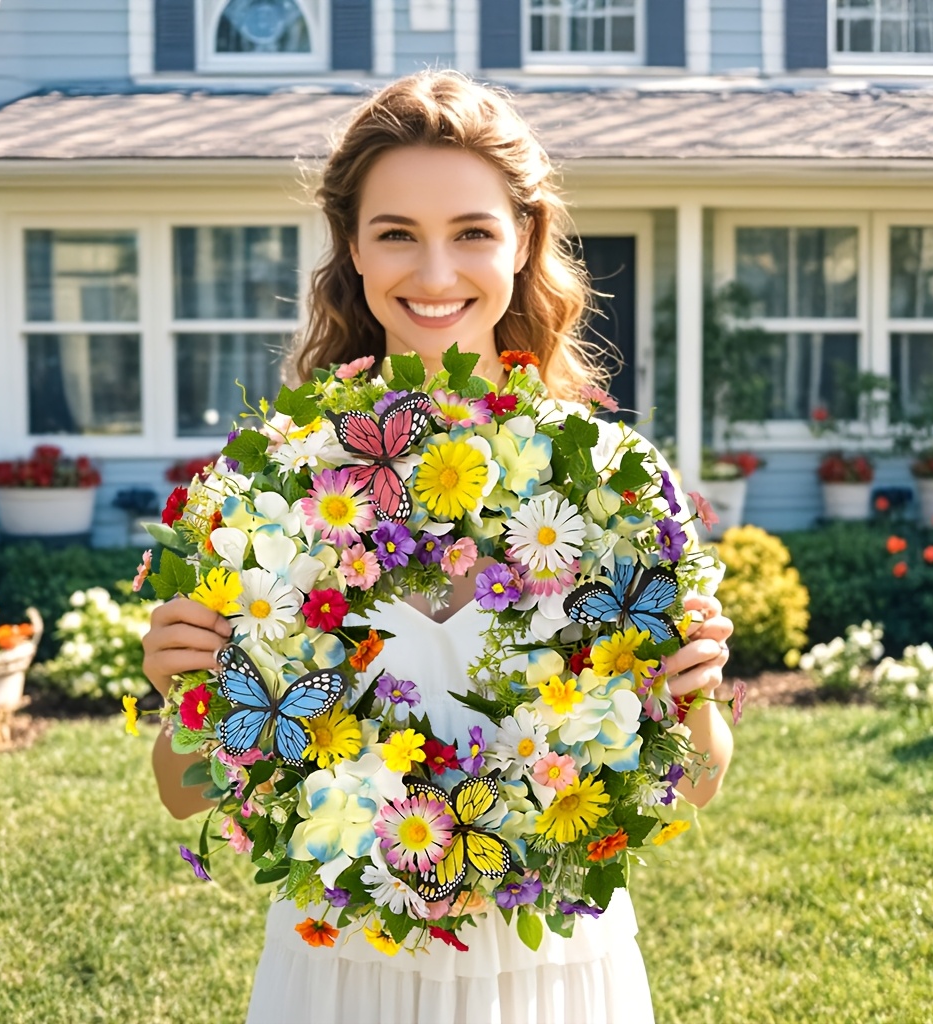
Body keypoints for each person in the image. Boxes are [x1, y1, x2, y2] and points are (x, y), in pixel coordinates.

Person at [143, 70, 734, 1024]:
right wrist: (186, 689)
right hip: (340, 974)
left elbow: (699, 779)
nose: (434, 274)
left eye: (471, 231)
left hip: (553, 972)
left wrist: (692, 694)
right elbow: (182, 793)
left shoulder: (612, 481)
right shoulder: (281, 480)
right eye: (396, 234)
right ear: (352, 248)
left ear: (524, 240)